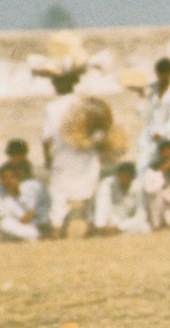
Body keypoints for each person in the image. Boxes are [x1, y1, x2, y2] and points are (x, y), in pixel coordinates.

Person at [42, 71, 102, 237]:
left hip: (63, 154)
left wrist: (47, 158)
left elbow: (46, 138)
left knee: (59, 191)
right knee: (90, 186)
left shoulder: (52, 107)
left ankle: (57, 227)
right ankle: (91, 223)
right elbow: (97, 127)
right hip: (85, 153)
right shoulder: (83, 102)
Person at [135, 57, 170, 169]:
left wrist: (162, 132)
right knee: (143, 165)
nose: (163, 77)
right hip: (150, 135)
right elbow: (141, 114)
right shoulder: (152, 90)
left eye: (166, 74)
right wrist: (142, 98)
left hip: (167, 137)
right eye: (161, 74)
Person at [90, 163, 150, 236]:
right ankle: (104, 232)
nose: (122, 179)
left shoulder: (138, 187)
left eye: (125, 177)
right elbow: (102, 206)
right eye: (120, 176)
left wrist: (120, 227)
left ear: (132, 178)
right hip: (110, 220)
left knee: (145, 228)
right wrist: (101, 226)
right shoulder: (108, 184)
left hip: (127, 222)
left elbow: (141, 215)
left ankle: (115, 233)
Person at [0, 164, 42, 242]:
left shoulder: (28, 192)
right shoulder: (3, 195)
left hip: (28, 228)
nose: (7, 181)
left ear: (18, 178)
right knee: (5, 223)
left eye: (11, 178)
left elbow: (30, 215)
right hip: (9, 228)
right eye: (4, 178)